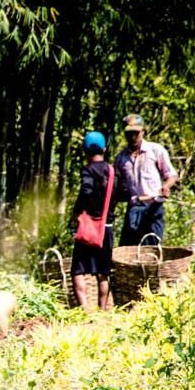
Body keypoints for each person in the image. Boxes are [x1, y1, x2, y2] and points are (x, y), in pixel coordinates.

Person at [69, 131, 130, 311]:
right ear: (104, 149)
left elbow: (86, 191)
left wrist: (76, 212)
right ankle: (102, 311)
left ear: (85, 151)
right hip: (106, 228)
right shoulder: (113, 172)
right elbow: (125, 193)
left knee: (77, 270)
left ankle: (84, 309)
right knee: (104, 272)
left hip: (88, 229)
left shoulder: (87, 170)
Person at [114, 114, 178, 246]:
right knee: (128, 249)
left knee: (151, 248)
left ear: (142, 132)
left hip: (153, 206)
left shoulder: (155, 150)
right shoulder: (121, 158)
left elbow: (171, 174)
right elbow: (117, 185)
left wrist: (166, 187)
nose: (133, 137)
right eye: (129, 133)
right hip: (134, 208)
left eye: (136, 133)